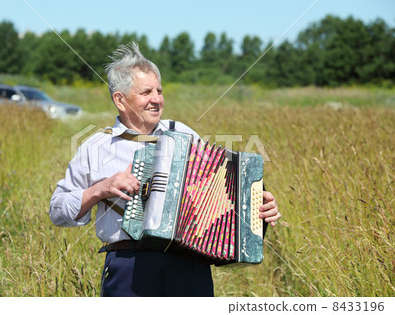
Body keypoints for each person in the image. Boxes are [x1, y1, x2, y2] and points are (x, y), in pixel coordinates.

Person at [49, 43, 281, 297]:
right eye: (146, 92)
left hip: (189, 264)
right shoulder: (96, 146)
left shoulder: (183, 133)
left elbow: (220, 187)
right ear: (120, 99)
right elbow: (57, 211)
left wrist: (255, 206)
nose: (157, 99)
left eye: (159, 90)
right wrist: (100, 189)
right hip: (129, 266)